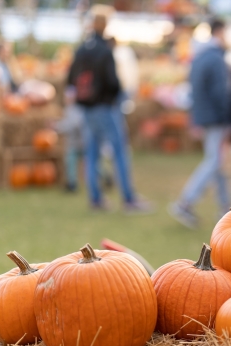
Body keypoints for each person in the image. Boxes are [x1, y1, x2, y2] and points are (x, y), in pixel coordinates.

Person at [67, 13, 153, 212]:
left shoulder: (81, 50)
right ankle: (128, 198)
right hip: (105, 106)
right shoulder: (105, 51)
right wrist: (118, 96)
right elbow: (112, 82)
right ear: (104, 27)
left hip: (87, 107)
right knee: (119, 151)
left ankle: (95, 198)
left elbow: (71, 78)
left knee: (92, 152)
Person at [168, 19, 231, 229]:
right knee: (214, 160)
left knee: (218, 162)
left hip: (205, 115)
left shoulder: (201, 56)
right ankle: (185, 202)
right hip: (216, 117)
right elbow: (219, 92)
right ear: (220, 32)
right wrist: (228, 116)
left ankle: (227, 209)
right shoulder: (215, 58)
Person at [54, 87, 84, 192]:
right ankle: (72, 183)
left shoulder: (77, 109)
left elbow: (73, 124)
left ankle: (106, 177)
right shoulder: (69, 109)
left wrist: (58, 127)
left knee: (87, 162)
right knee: (71, 162)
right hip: (74, 142)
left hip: (81, 141)